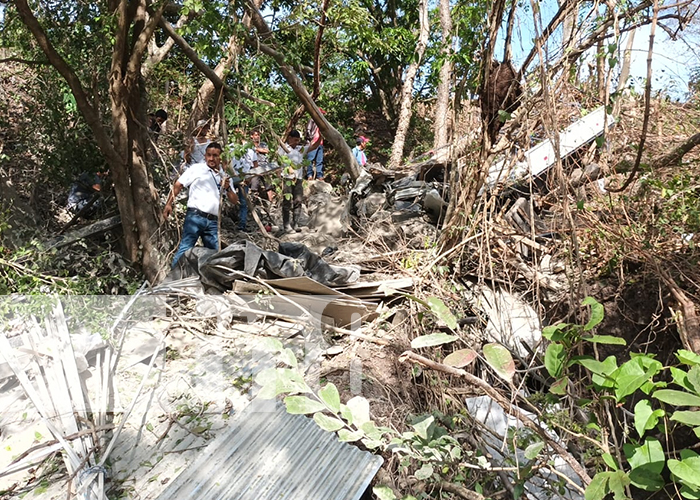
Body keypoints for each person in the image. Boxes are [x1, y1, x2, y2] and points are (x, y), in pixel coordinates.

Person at [164, 142, 239, 267]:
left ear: (220, 157)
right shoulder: (197, 169)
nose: (211, 158)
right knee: (185, 249)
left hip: (213, 222)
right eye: (208, 155)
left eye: (215, 155)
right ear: (205, 156)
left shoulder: (224, 176)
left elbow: (234, 200)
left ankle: (210, 283)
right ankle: (172, 279)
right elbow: (178, 185)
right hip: (195, 216)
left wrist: (228, 188)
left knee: (214, 254)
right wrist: (168, 204)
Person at [277, 130, 322, 233]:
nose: (296, 142)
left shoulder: (300, 149)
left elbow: (313, 147)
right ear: (289, 138)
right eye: (295, 140)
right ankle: (286, 225)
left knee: (298, 200)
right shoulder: (283, 149)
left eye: (298, 140)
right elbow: (278, 163)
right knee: (287, 201)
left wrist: (320, 137)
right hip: (287, 178)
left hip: (298, 178)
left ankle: (295, 223)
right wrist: (279, 176)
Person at [305, 109, 325, 180]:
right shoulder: (312, 120)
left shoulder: (322, 123)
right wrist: (311, 140)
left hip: (320, 143)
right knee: (310, 159)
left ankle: (320, 175)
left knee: (320, 160)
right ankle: (309, 175)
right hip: (313, 142)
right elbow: (308, 130)